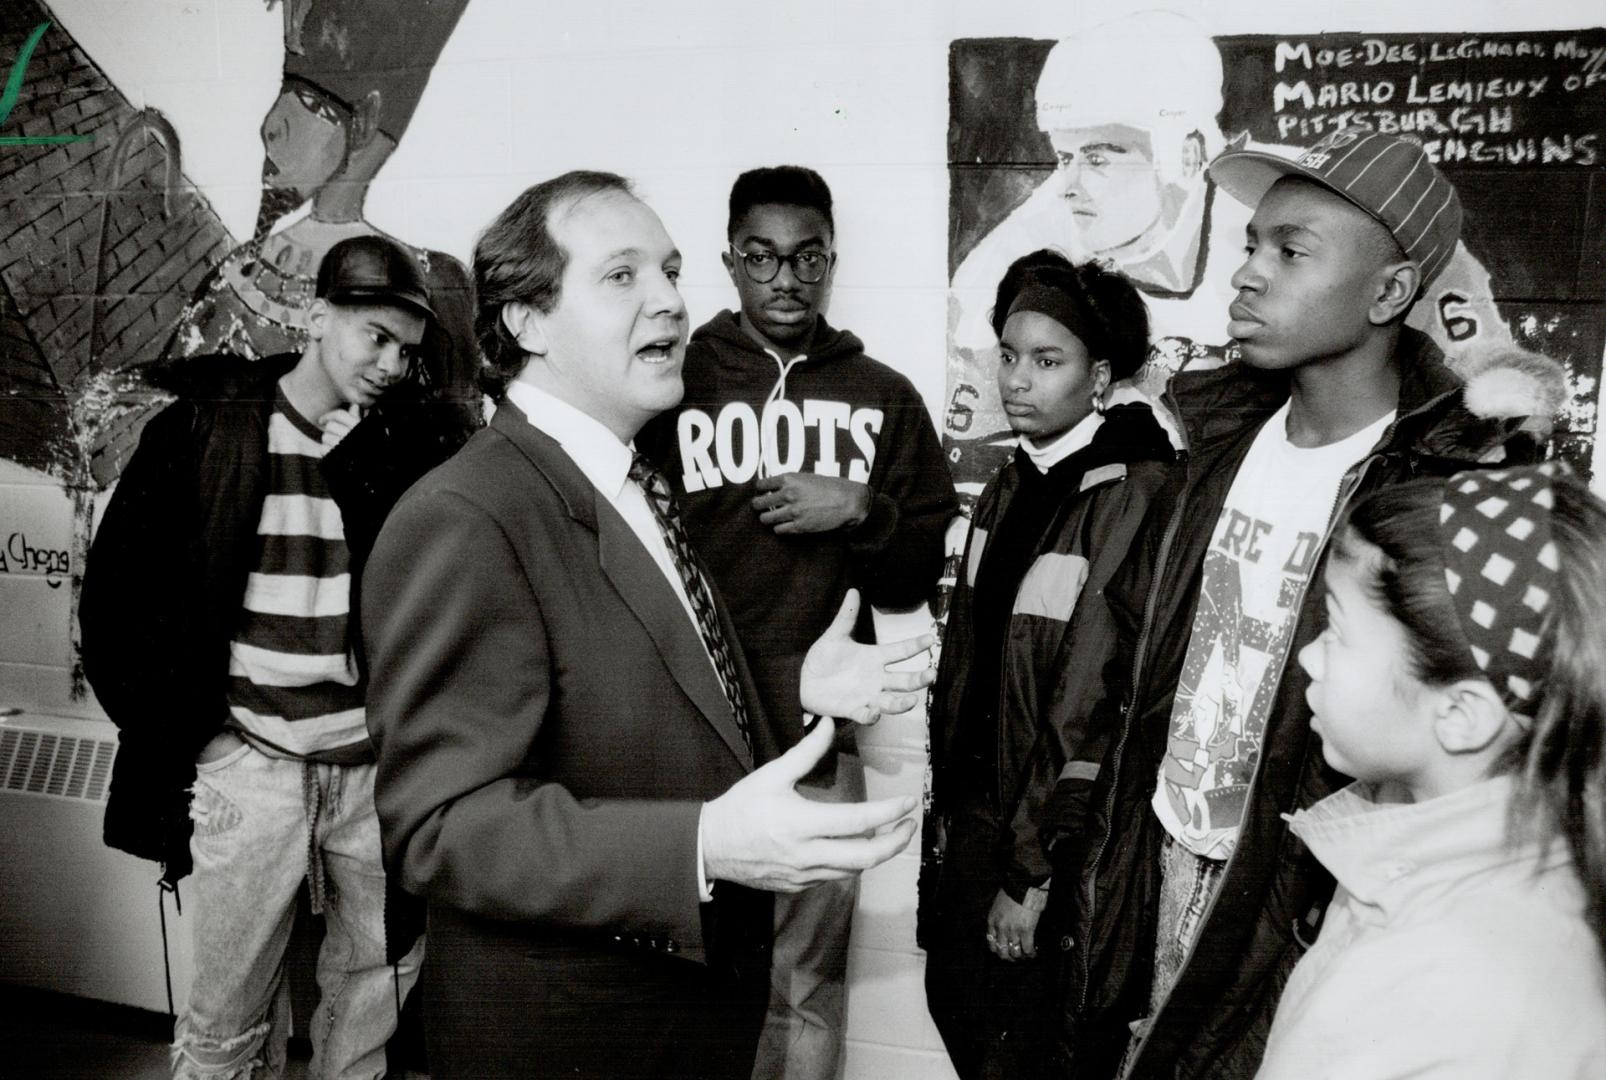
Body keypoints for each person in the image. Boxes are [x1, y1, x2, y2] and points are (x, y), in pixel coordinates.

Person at [360, 170, 939, 1080]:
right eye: (622, 276)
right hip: (579, 1036)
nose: (671, 300)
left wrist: (792, 686)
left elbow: (631, 680)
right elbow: (438, 827)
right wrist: (701, 845)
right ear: (527, 321)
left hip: (685, 1020)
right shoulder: (471, 513)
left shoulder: (635, 484)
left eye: (669, 271)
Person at [1039, 128, 1564, 1080]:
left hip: (1303, 888)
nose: (1248, 274)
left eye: (1291, 251)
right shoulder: (1204, 448)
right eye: (1250, 245)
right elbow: (1127, 659)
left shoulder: (1439, 489)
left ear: (1389, 292)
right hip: (1157, 851)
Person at [79, 234, 471, 1078]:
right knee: (225, 1020)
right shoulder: (209, 430)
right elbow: (115, 605)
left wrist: (363, 472)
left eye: (406, 350)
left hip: (374, 776)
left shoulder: (411, 447)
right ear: (317, 315)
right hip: (250, 766)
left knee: (373, 1002)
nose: (391, 364)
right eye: (375, 337)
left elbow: (430, 603)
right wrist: (202, 738)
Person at [638, 165, 957, 1080]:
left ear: (832, 260)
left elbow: (912, 579)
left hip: (822, 744)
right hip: (684, 731)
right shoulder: (670, 379)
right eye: (762, 257)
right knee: (679, 975)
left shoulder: (883, 395)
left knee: (803, 988)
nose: (786, 278)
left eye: (807, 257)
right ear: (729, 261)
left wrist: (863, 509)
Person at [943, 11, 1513, 494]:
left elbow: (1487, 403)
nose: (1248, 273)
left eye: (1099, 155)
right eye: (1062, 156)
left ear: (1186, 155)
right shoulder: (1013, 255)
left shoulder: (1330, 214)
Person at [1256, 463, 1606, 1078]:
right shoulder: (1412, 837)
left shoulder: (1457, 981)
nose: (1310, 657)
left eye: (1336, 630)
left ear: (1461, 715)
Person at [918, 251, 1176, 1079]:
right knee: (957, 1011)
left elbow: (1089, 699)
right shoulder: (1008, 482)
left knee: (1025, 1052)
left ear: (1100, 376)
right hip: (977, 819)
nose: (1017, 380)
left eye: (1047, 360)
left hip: (1047, 839)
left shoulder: (1128, 492)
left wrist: (1030, 876)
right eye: (1009, 354)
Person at [164, 0, 480, 423]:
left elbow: (454, 440)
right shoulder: (236, 277)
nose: (270, 127)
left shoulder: (434, 282)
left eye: (303, 103)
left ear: (364, 122)